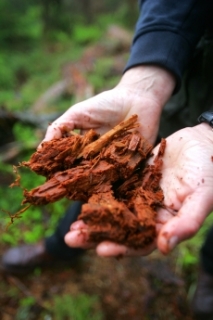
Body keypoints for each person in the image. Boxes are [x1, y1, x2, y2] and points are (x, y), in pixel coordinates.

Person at [1, 0, 213, 318]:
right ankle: (59, 247)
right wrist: (146, 82)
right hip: (185, 68)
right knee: (95, 173)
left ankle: (210, 270)